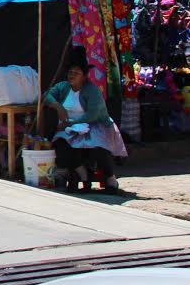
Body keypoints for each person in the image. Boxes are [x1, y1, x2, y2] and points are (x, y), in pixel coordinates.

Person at [43, 62, 127, 194]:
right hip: (71, 128)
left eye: (76, 73)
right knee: (61, 144)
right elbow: (46, 95)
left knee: (99, 148)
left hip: (95, 125)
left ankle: (110, 179)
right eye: (70, 72)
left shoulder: (92, 90)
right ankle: (81, 173)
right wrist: (57, 106)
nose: (72, 75)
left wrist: (70, 123)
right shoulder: (63, 87)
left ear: (84, 77)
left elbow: (93, 114)